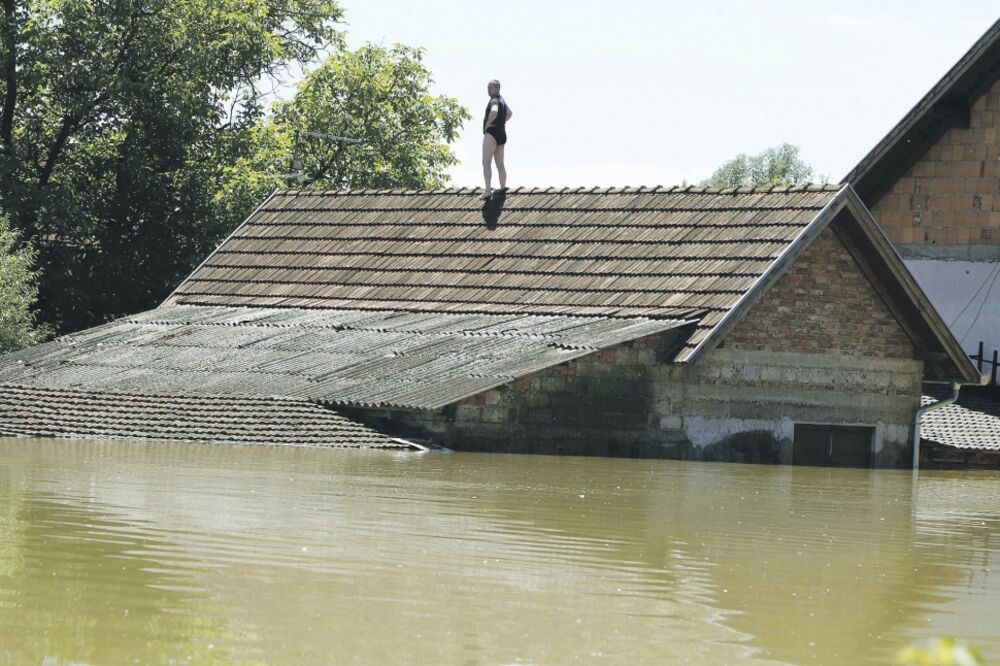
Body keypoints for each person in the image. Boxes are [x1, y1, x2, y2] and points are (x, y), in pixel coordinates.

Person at [481, 79, 512, 200]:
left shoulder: (494, 100)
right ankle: (503, 186)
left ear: (498, 88)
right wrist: (501, 121)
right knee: (500, 163)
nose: (489, 90)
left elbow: (494, 111)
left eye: (491, 87)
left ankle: (488, 189)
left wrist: (488, 123)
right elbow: (509, 113)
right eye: (488, 87)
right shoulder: (502, 100)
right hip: (502, 133)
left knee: (486, 161)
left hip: (492, 133)